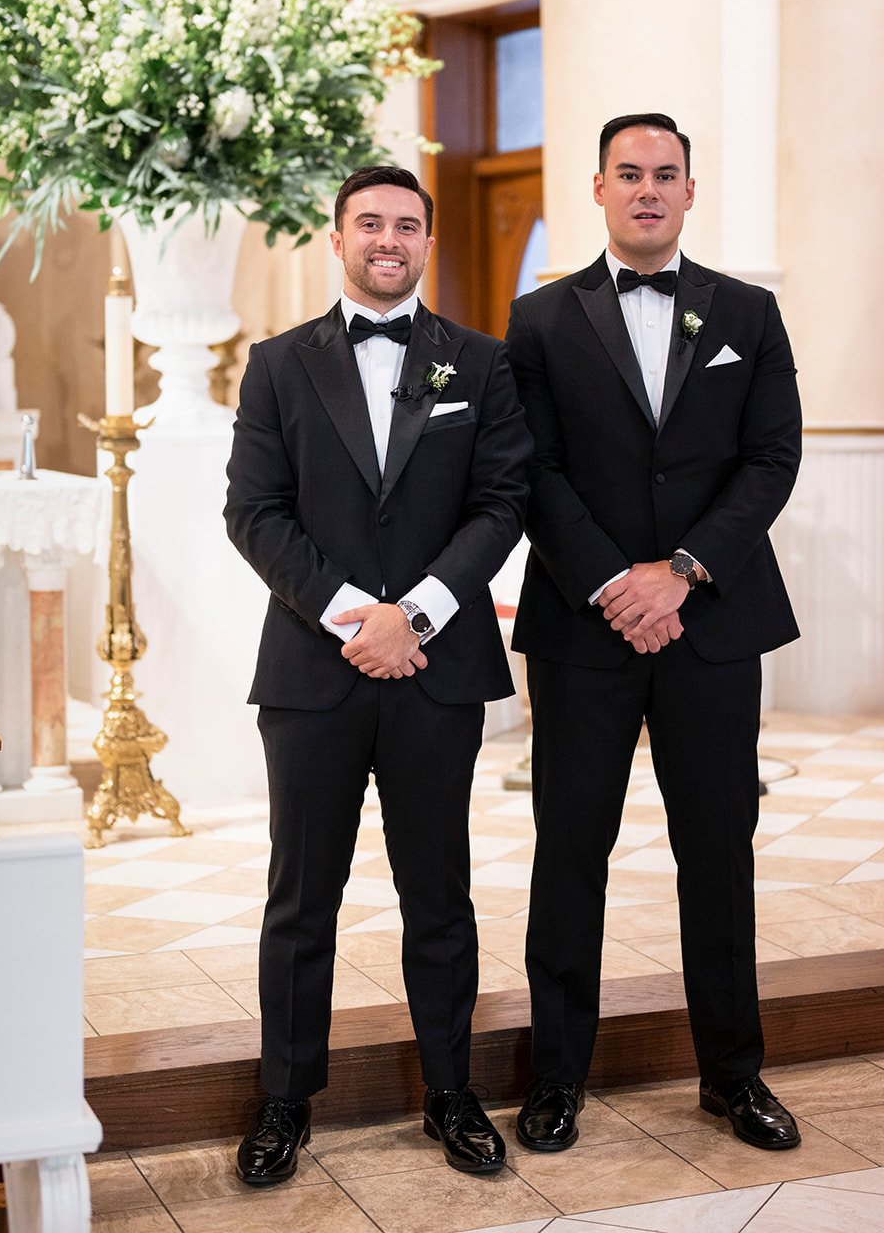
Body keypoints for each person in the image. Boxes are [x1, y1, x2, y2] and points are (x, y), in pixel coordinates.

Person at [225, 164, 530, 1184]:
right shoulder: (275, 365)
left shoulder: (480, 365)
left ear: (426, 241)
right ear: (336, 234)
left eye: (406, 224)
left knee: (438, 892)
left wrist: (421, 613)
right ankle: (284, 1099)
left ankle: (453, 1091)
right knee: (301, 895)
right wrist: (362, 618)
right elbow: (254, 511)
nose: (387, 238)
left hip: (436, 670)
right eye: (369, 222)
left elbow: (501, 502)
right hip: (315, 671)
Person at [506, 112, 803, 1155]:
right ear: (595, 189)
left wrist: (678, 574)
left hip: (711, 619)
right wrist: (610, 582)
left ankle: (734, 1076)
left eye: (663, 174)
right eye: (626, 173)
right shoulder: (539, 322)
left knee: (718, 852)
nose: (645, 189)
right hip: (584, 631)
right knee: (570, 850)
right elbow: (530, 471)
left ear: (689, 190)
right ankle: (555, 1079)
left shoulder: (749, 313)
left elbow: (770, 459)